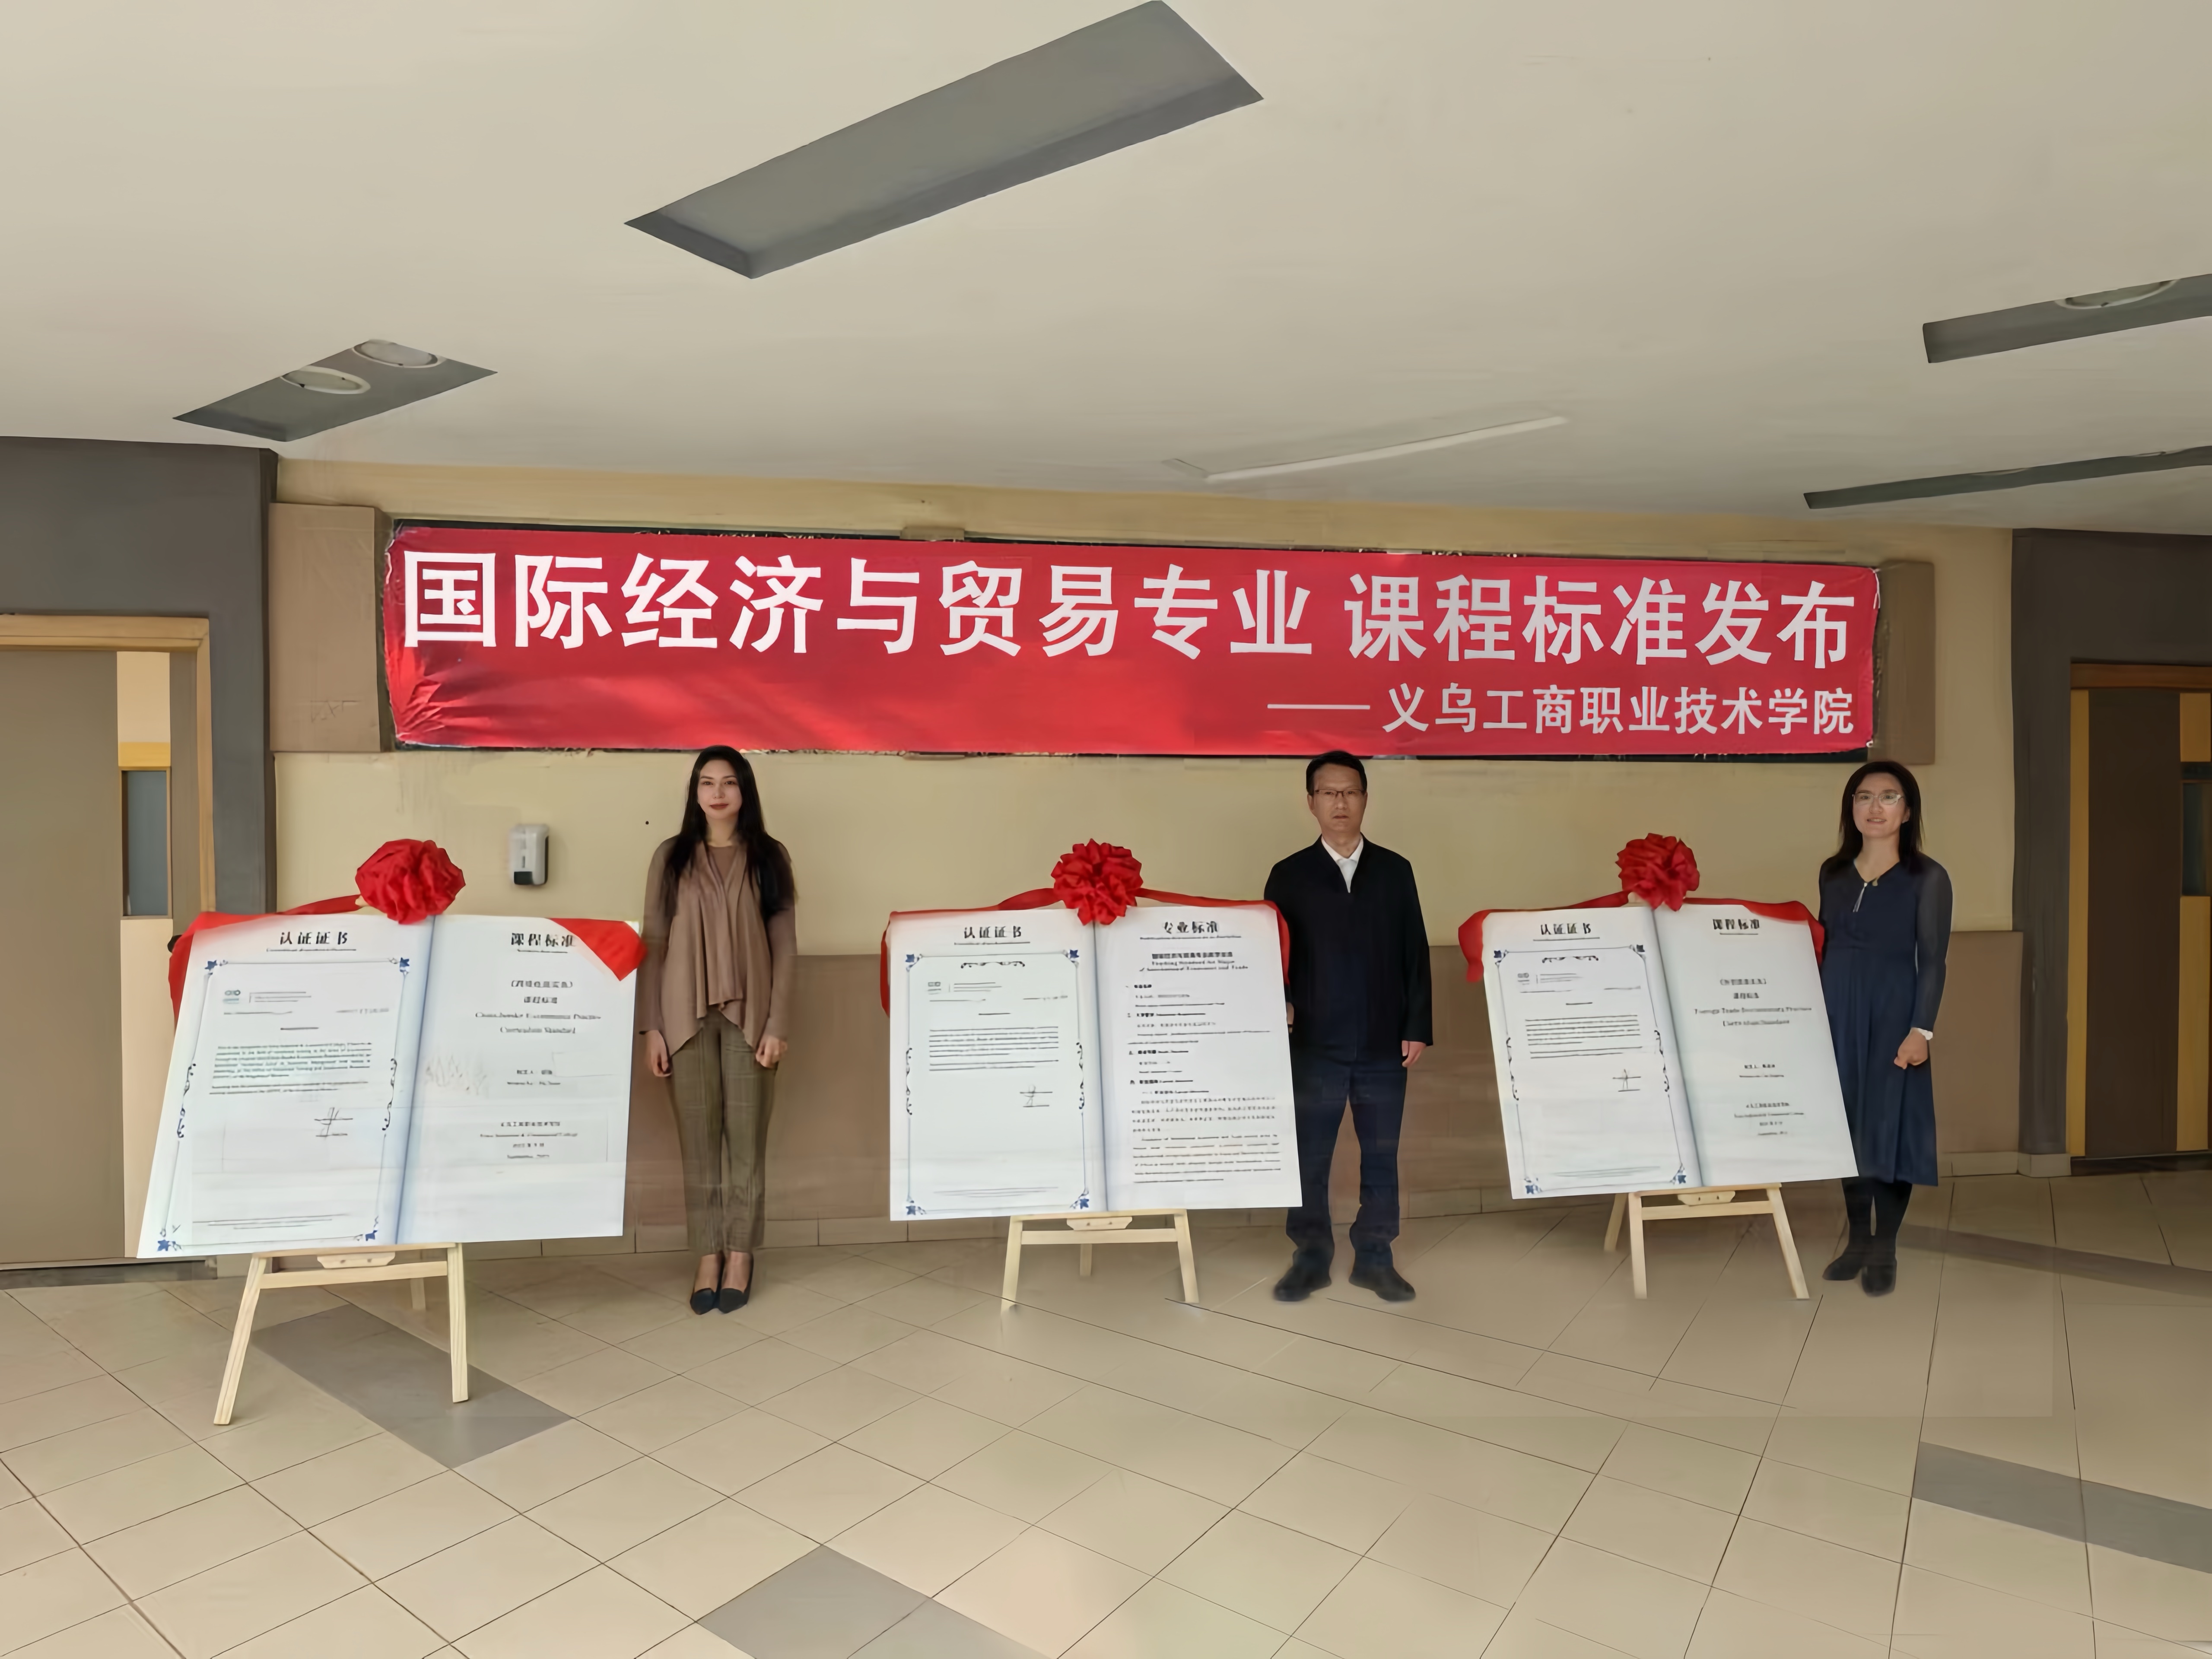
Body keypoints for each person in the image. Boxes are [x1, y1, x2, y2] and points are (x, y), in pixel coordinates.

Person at [1264, 751, 1433, 1303]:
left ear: (1364, 799)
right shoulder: (1289, 875)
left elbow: (1413, 952)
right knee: (1309, 1155)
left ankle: (1375, 1257)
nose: (1340, 802)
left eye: (1350, 792)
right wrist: (1283, 1005)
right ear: (1310, 802)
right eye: (1328, 792)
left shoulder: (1395, 870)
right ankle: (1310, 1256)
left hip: (1384, 1043)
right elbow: (1271, 954)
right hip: (1314, 1043)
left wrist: (1416, 1026)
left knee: (1380, 1154)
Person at [639, 747, 797, 1314]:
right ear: (695, 793)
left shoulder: (769, 857)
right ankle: (708, 1254)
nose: (718, 793)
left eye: (729, 782)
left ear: (744, 790)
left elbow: (785, 947)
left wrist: (778, 1024)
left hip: (752, 1020)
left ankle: (740, 1253)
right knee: (699, 1146)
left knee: (746, 1145)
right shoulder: (672, 856)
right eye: (707, 783)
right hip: (682, 1019)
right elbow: (654, 942)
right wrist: (651, 1028)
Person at [1816, 760, 1950, 1297]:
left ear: (1907, 811)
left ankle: (1884, 1247)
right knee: (1847, 1132)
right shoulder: (1832, 872)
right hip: (1836, 1012)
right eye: (1863, 796)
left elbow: (1933, 960)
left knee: (1889, 1131)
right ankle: (1856, 1242)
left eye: (1888, 797)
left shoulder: (1927, 877)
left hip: (1895, 1015)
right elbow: (1822, 943)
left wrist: (1922, 1030)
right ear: (1850, 808)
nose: (1874, 807)